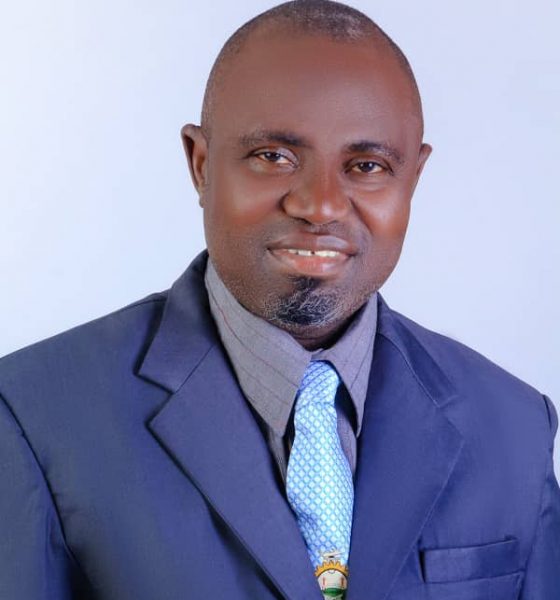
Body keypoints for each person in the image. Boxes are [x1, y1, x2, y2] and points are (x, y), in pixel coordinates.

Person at [1, 0, 558, 598]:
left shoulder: (516, 426)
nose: (320, 206)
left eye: (367, 165)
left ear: (413, 179)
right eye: (274, 157)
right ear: (201, 164)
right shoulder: (34, 417)